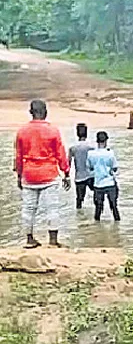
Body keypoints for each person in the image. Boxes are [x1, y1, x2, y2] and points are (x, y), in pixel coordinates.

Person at [14, 100, 71, 248]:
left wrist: (19, 176)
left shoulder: (22, 131)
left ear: (31, 112)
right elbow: (61, 154)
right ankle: (52, 241)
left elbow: (19, 156)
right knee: (52, 208)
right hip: (49, 174)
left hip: (29, 174)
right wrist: (66, 173)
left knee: (28, 208)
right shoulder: (53, 130)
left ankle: (29, 239)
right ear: (45, 112)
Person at [86, 131, 121, 222]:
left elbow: (90, 167)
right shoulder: (110, 153)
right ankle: (117, 227)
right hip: (110, 183)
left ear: (97, 141)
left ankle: (96, 228)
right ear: (106, 141)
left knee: (98, 209)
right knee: (114, 207)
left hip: (98, 184)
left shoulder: (91, 154)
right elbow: (115, 168)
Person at [68, 123, 95, 209]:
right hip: (91, 175)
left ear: (77, 134)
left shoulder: (73, 148)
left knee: (79, 200)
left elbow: (68, 163)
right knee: (97, 195)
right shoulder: (92, 147)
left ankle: (79, 217)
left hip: (79, 177)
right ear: (86, 133)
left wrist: (66, 176)